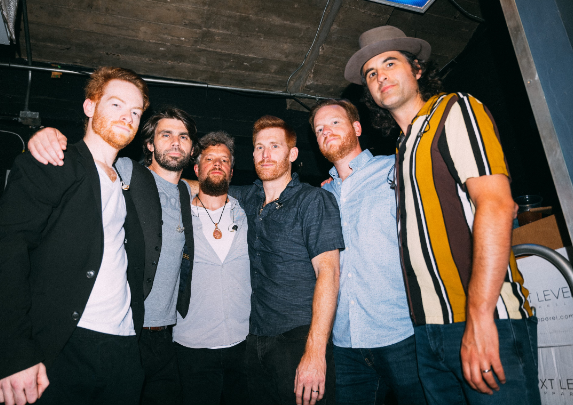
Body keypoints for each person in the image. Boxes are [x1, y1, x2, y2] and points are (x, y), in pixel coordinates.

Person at [344, 25, 538, 404]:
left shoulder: (453, 110)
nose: (380, 76)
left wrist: (479, 317)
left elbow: (497, 205)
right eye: (371, 73)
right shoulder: (402, 150)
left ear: (417, 69)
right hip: (427, 332)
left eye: (390, 63)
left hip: (483, 318)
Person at [0, 67, 151, 405]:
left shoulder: (124, 188)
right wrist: (13, 351)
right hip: (62, 345)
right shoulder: (53, 161)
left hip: (122, 350)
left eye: (135, 112)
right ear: (89, 106)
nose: (127, 117)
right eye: (116, 105)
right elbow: (5, 250)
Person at [26, 107, 200, 405]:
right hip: (125, 329)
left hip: (165, 336)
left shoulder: (186, 192)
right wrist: (47, 136)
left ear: (192, 148)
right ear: (149, 144)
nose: (175, 142)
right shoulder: (127, 171)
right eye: (166, 134)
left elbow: (216, 188)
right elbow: (87, 157)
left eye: (183, 136)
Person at [309, 98, 427, 405]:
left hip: (401, 334)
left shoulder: (394, 169)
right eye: (319, 129)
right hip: (345, 343)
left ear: (357, 128)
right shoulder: (322, 195)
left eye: (335, 122)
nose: (326, 131)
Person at [229, 116, 344, 405]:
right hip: (254, 339)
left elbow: (329, 273)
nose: (265, 154)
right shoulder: (247, 198)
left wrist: (315, 352)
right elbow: (204, 188)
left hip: (298, 338)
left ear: (292, 154)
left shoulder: (313, 200)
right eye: (259, 147)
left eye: (274, 146)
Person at [173, 131, 251, 405]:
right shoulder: (178, 214)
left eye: (224, 160)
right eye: (209, 159)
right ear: (196, 169)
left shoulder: (246, 210)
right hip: (191, 346)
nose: (217, 164)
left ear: (232, 171)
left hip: (244, 345)